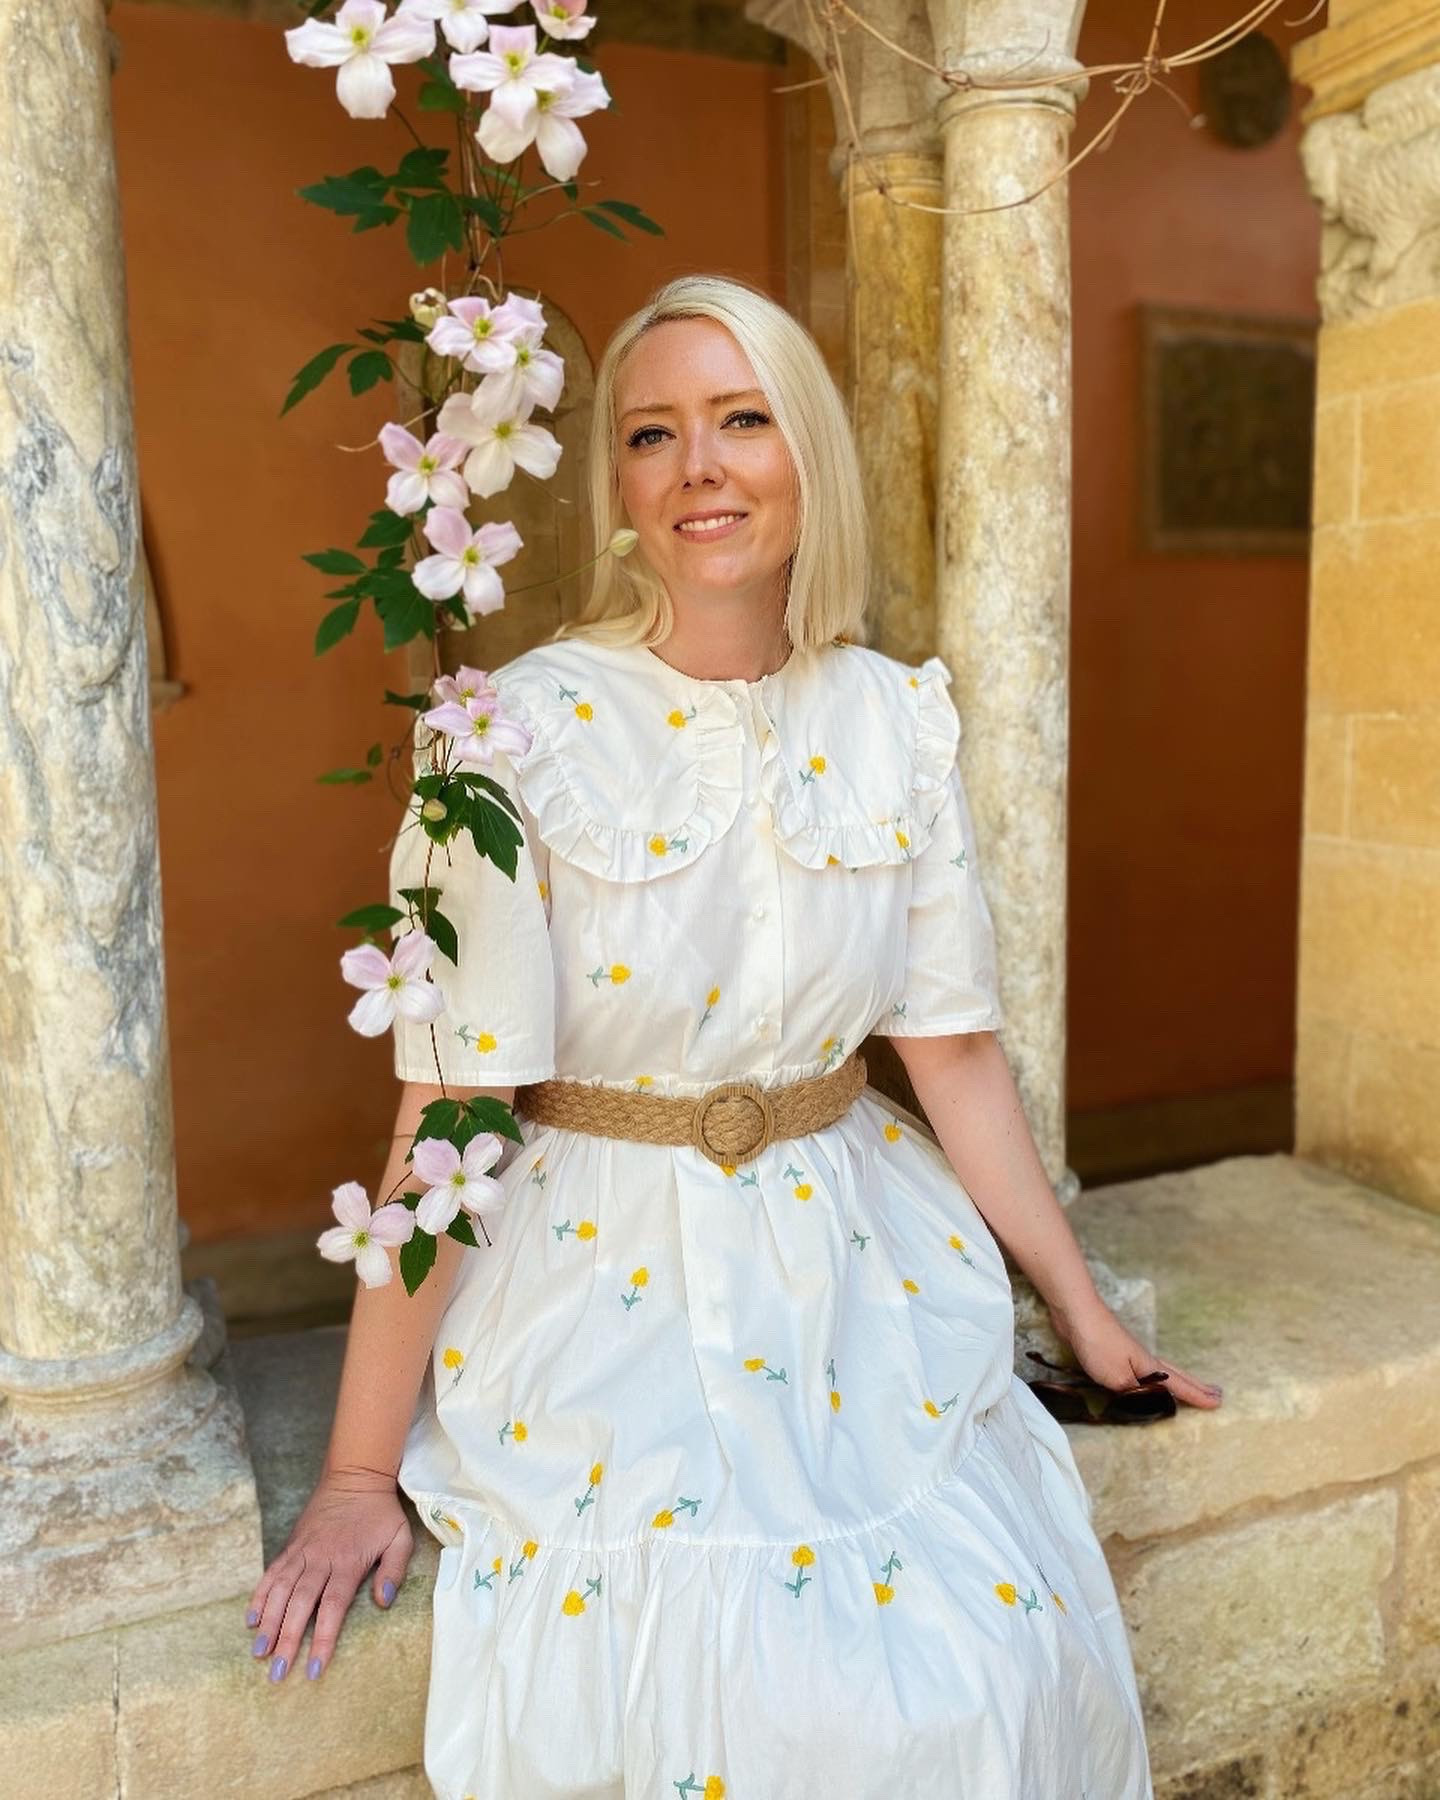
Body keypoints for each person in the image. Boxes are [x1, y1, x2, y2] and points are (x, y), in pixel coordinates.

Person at [246, 273, 1223, 1797]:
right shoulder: (501, 733)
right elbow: (450, 1113)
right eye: (654, 433)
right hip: (601, 1270)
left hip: (851, 1256)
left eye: (742, 419)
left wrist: (1080, 1313)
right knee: (710, 1692)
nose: (699, 466)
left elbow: (952, 1054)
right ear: (620, 486)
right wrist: (358, 1473)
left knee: (978, 1663)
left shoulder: (901, 718)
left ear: (806, 454)